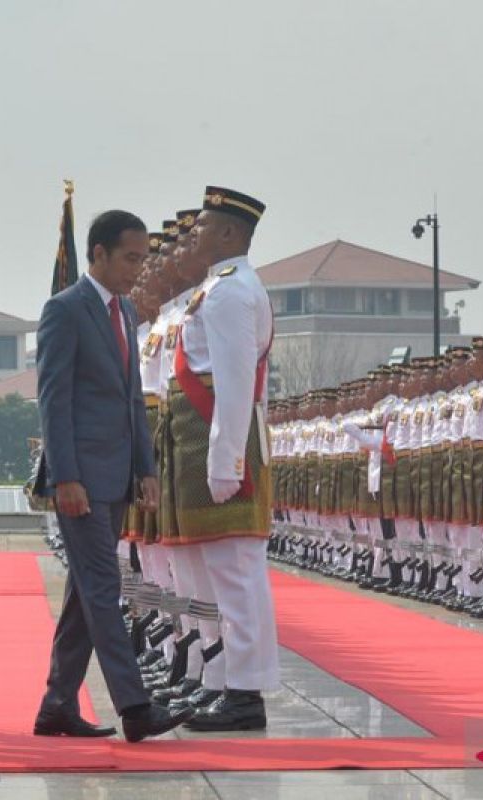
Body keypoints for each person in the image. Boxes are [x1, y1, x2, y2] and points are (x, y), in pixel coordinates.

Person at [35, 209, 193, 742]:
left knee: (86, 597)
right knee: (103, 588)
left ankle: (57, 704)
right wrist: (65, 476)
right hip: (80, 479)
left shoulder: (124, 311)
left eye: (142, 259)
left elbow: (130, 397)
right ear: (97, 254)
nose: (137, 269)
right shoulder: (65, 310)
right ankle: (134, 706)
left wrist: (145, 468)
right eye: (129, 258)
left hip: (117, 476)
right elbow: (54, 401)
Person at [170, 186, 278, 731]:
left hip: (223, 445)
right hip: (208, 442)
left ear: (231, 234)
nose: (196, 235)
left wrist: (226, 462)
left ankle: (246, 693)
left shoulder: (232, 292)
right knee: (221, 575)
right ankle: (231, 684)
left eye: (204, 227)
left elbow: (235, 385)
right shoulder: (217, 288)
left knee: (236, 574)